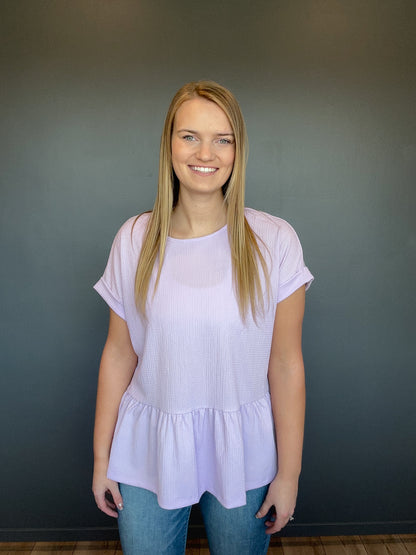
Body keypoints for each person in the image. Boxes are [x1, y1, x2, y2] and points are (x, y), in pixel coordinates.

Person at [92, 80, 314, 555]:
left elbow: (286, 365)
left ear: (237, 150)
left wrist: (289, 474)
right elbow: (118, 354)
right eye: (189, 135)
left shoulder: (274, 241)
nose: (205, 152)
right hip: (147, 447)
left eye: (222, 138)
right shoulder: (134, 239)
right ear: (169, 144)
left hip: (245, 451)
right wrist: (100, 459)